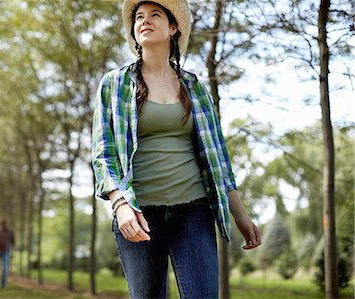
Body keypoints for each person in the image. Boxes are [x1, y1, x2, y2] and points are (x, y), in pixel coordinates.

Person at [91, 1, 262, 298]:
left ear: (173, 28)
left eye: (155, 15)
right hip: (138, 212)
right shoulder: (114, 85)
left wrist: (240, 214)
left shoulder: (194, 88)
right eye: (139, 17)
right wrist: (120, 206)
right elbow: (103, 155)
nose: (145, 21)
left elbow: (218, 158)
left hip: (192, 211)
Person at [0, 219, 15, 288]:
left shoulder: (10, 231)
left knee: (5, 268)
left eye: (5, 224)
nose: (3, 226)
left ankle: (3, 284)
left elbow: (13, 241)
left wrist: (12, 251)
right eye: (2, 225)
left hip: (6, 251)